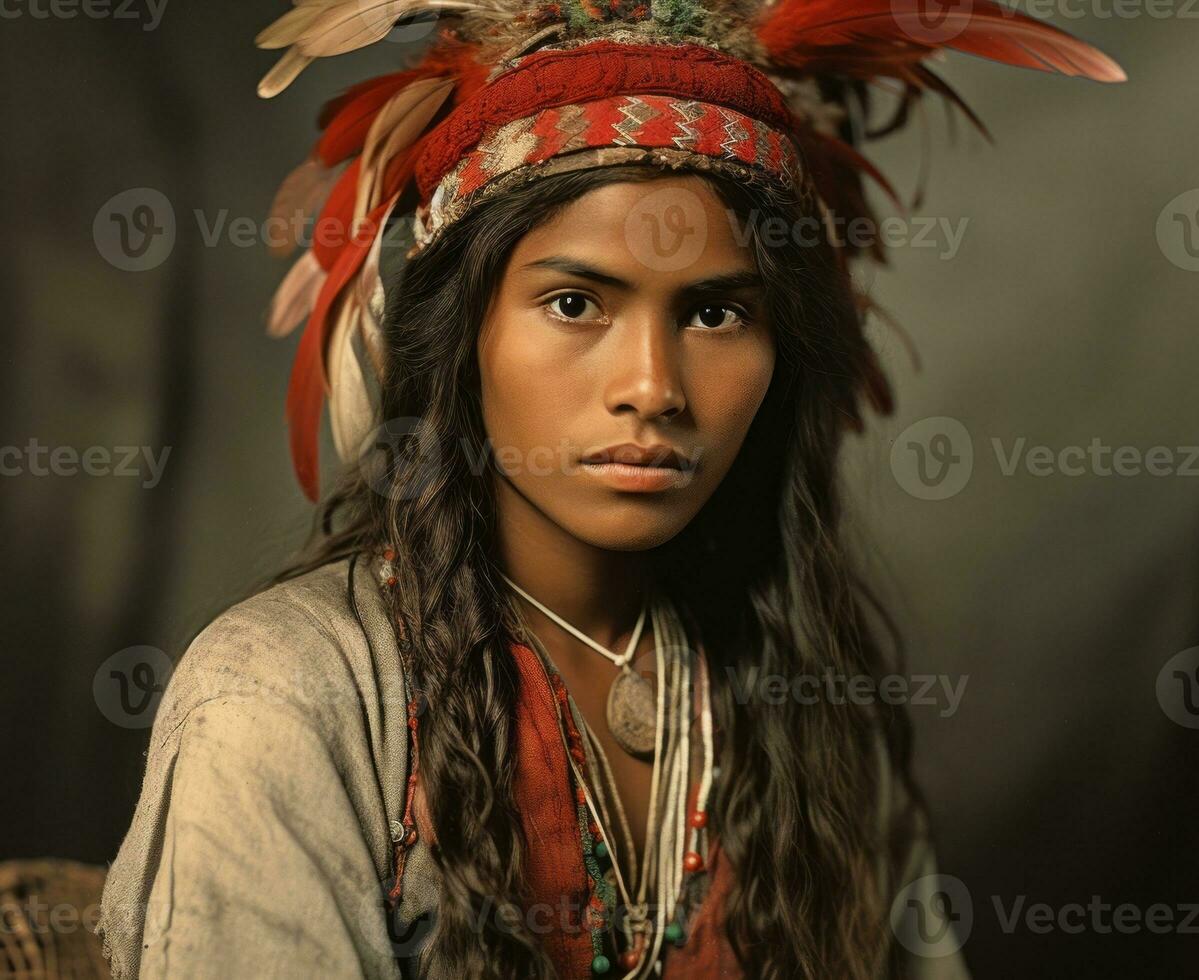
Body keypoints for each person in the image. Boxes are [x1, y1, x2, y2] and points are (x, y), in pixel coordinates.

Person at [96, 2, 1124, 977]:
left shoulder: (814, 710)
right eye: (575, 301)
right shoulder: (283, 696)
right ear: (462, 339)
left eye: (715, 313)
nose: (651, 388)